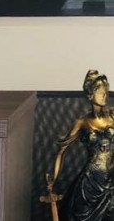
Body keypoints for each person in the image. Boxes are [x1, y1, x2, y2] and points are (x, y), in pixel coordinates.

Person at [48, 70, 114, 220]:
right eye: (100, 91)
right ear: (90, 94)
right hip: (90, 183)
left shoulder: (112, 117)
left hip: (111, 181)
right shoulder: (82, 123)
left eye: (106, 91)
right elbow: (61, 151)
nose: (104, 95)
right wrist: (53, 180)